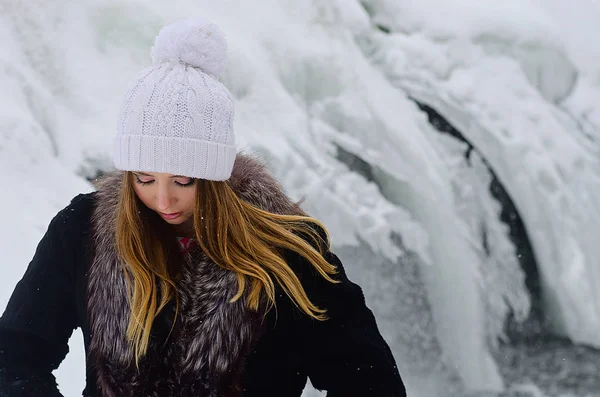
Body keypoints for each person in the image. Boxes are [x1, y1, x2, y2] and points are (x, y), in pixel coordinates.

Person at [0, 17, 406, 397]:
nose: (162, 200)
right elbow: (14, 355)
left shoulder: (286, 250)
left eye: (183, 181)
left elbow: (371, 382)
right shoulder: (82, 230)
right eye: (144, 179)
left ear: (213, 177)